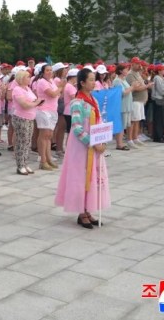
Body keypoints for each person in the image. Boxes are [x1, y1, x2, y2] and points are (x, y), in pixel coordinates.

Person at [55, 68, 110, 229]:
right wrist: (93, 142)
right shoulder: (77, 102)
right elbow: (77, 128)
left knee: (92, 176)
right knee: (81, 176)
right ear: (82, 83)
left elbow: (99, 122)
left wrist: (103, 140)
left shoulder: (93, 100)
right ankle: (81, 212)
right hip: (81, 146)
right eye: (91, 80)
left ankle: (88, 209)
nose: (94, 82)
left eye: (94, 79)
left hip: (95, 145)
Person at [10, 70, 40, 175]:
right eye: (27, 77)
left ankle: (25, 163)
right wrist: (36, 103)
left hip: (30, 117)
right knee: (21, 141)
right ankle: (20, 165)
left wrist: (36, 102)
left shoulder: (27, 88)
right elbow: (24, 105)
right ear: (21, 78)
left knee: (27, 141)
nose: (29, 78)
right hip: (21, 117)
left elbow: (31, 101)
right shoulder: (17, 89)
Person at [32, 64, 61, 170]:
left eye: (51, 70)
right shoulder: (42, 82)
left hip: (52, 110)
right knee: (44, 135)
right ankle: (43, 160)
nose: (50, 72)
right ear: (43, 72)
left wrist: (58, 90)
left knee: (49, 135)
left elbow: (57, 95)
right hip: (43, 110)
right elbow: (52, 94)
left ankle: (48, 159)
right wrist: (61, 87)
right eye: (47, 70)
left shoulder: (51, 81)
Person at [127, 58, 152, 146]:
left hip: (140, 101)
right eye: (137, 64)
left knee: (137, 120)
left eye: (139, 64)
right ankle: (130, 139)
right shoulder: (130, 74)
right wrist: (147, 86)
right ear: (132, 64)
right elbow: (136, 88)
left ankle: (135, 137)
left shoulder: (137, 73)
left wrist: (145, 85)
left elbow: (141, 85)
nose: (139, 66)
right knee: (132, 120)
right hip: (135, 100)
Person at [57, 68, 78, 156]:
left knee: (70, 131)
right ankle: (68, 148)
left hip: (70, 111)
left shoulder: (71, 86)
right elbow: (75, 98)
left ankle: (69, 148)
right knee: (70, 131)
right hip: (69, 111)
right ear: (73, 77)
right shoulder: (69, 86)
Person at [112, 64, 134, 150]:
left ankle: (120, 143)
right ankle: (119, 144)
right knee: (120, 125)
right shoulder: (117, 81)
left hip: (126, 105)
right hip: (121, 106)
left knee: (123, 125)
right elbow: (123, 93)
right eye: (126, 69)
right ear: (121, 71)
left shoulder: (123, 80)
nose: (127, 71)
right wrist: (132, 87)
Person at [151, 65, 164, 142]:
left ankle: (162, 134)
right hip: (158, 99)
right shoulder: (157, 78)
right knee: (159, 119)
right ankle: (158, 136)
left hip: (163, 100)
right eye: (162, 69)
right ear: (159, 71)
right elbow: (161, 90)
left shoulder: (163, 78)